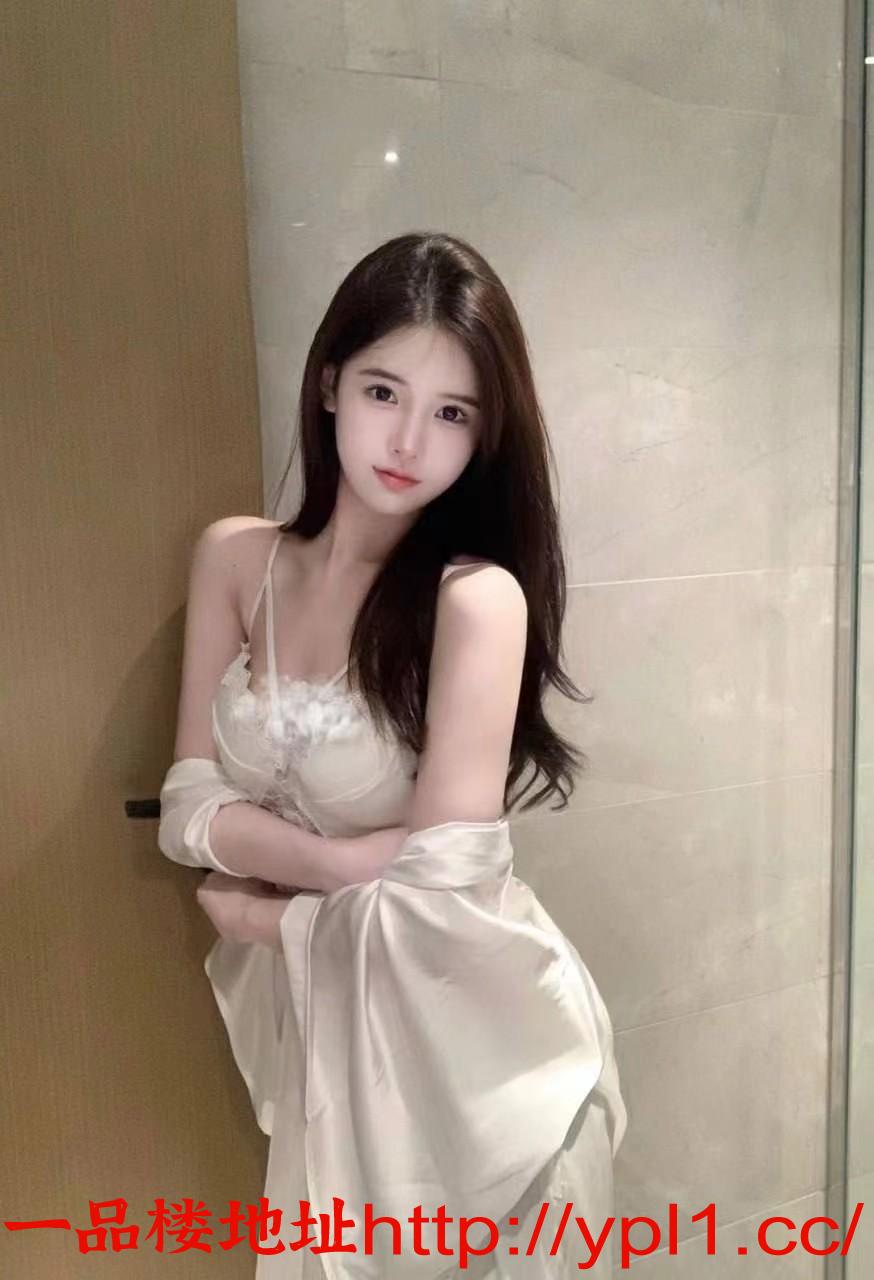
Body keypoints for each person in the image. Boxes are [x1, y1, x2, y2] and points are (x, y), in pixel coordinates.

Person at [157, 231, 627, 1279]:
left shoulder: (476, 600)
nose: (409, 440)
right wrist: (339, 863)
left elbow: (444, 880)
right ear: (329, 383)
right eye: (383, 391)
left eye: (453, 412)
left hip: (484, 1066)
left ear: (485, 434)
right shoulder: (235, 559)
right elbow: (186, 800)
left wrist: (266, 912)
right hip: (340, 1045)